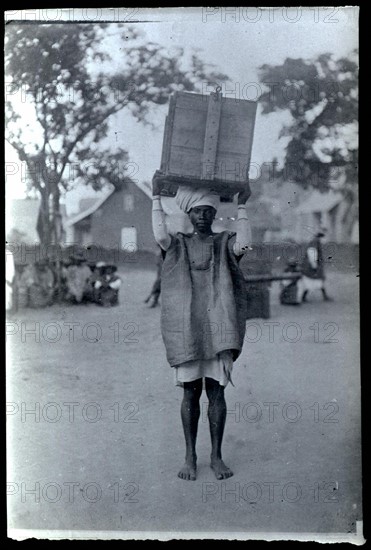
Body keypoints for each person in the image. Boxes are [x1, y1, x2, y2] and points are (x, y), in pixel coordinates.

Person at [152, 172, 252, 481]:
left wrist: (242, 206)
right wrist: (155, 198)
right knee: (190, 395)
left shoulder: (224, 243)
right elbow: (160, 234)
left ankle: (216, 456)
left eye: (208, 211)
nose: (203, 217)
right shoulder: (177, 245)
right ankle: (190, 455)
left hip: (218, 330)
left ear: (214, 213)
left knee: (217, 394)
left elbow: (245, 244)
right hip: (189, 332)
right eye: (197, 211)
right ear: (189, 212)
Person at [300, 231, 332, 302]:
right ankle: (304, 297)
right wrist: (314, 265)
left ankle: (324, 296)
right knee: (312, 281)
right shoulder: (314, 242)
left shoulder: (315, 242)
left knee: (317, 281)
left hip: (312, 265)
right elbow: (312, 254)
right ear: (321, 237)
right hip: (311, 266)